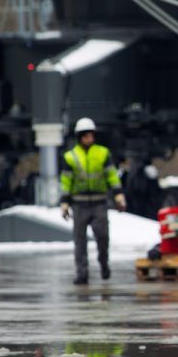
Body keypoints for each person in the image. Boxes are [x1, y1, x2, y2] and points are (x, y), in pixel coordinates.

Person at [60, 117, 126, 285]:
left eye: (92, 135)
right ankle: (82, 273)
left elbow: (111, 175)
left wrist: (118, 195)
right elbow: (66, 181)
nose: (90, 139)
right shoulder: (70, 157)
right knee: (80, 242)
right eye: (86, 136)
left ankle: (104, 263)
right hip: (79, 204)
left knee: (103, 237)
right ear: (80, 137)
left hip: (99, 203)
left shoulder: (103, 153)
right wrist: (65, 203)